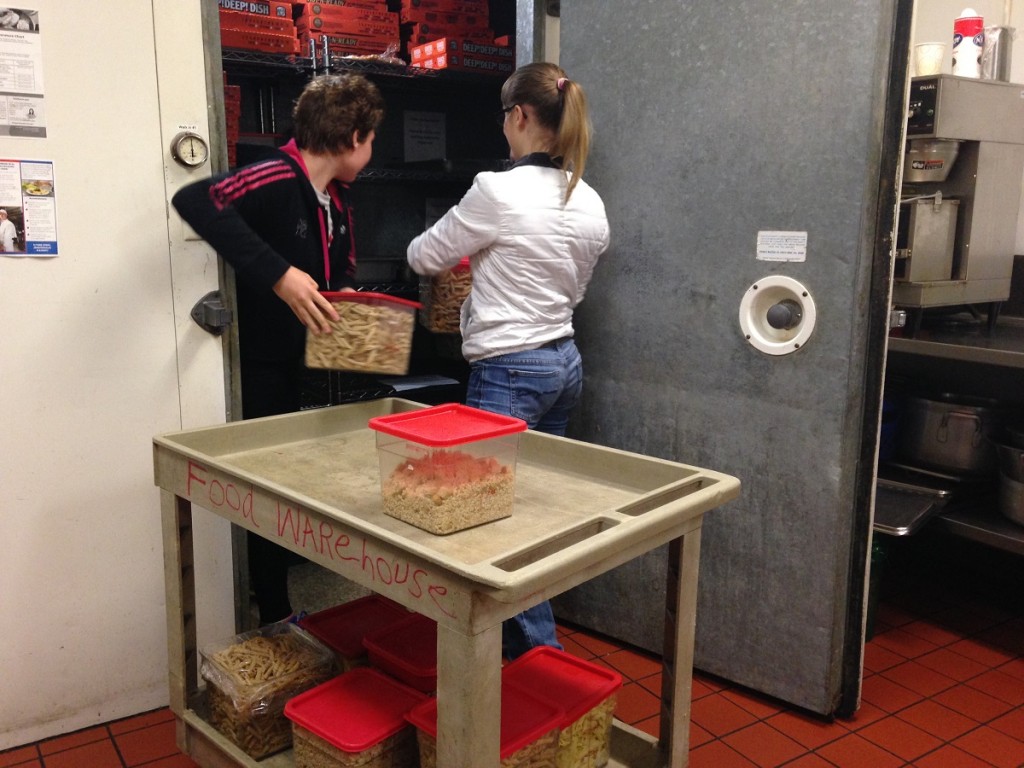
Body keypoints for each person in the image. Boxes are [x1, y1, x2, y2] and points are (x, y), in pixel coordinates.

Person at [406, 62, 610, 659]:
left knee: (488, 520)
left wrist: (472, 263)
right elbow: (572, 291)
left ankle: (535, 659)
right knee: (531, 516)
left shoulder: (497, 190)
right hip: (563, 364)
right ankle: (527, 650)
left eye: (505, 117)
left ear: (519, 117)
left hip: (510, 371)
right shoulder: (588, 198)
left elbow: (425, 255)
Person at [173, 73, 385, 625]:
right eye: (372, 139)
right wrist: (279, 275)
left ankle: (281, 602)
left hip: (302, 364)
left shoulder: (335, 201)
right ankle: (272, 611)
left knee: (290, 484)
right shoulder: (275, 173)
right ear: (353, 135)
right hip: (260, 367)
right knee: (266, 488)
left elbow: (334, 279)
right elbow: (195, 197)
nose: (371, 150)